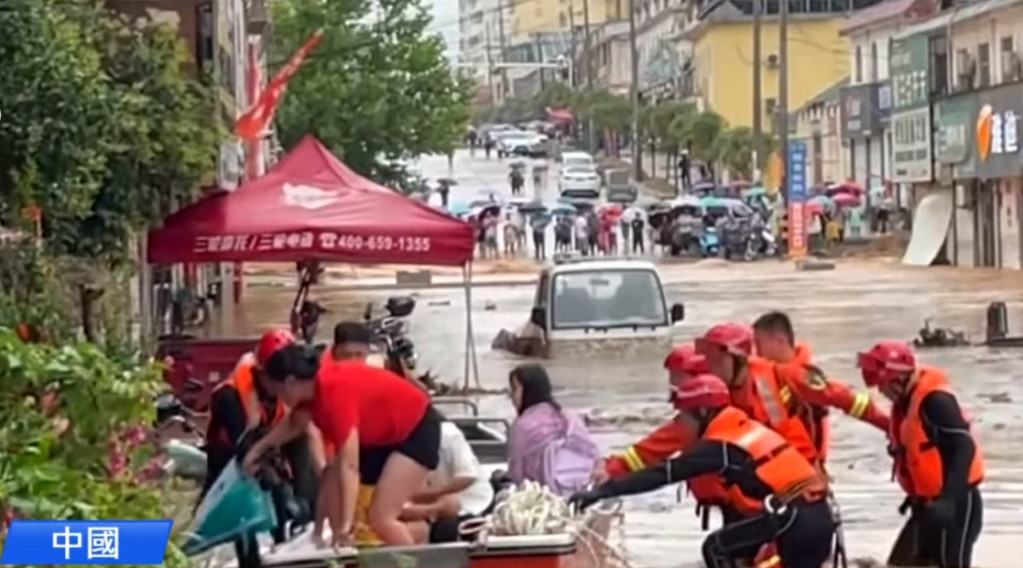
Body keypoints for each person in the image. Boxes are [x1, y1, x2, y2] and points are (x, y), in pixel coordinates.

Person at [570, 375, 835, 568]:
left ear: (704, 412)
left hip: (797, 523)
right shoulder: (740, 426)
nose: (681, 426)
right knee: (738, 543)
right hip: (816, 517)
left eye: (683, 417)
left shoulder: (720, 445)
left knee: (716, 547)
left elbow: (663, 474)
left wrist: (603, 492)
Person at [243, 345, 443, 546]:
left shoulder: (334, 393)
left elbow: (350, 466)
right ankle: (324, 538)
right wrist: (258, 449)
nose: (280, 400)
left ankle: (406, 558)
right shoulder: (311, 389)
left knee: (381, 517)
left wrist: (347, 524)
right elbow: (295, 423)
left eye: (278, 392)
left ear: (291, 382)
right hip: (383, 434)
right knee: (331, 473)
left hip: (417, 429)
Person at [857, 341, 984, 568]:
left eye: (882, 385)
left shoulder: (935, 402)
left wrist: (948, 500)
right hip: (926, 506)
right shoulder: (906, 405)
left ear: (898, 379)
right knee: (904, 563)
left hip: (955, 505)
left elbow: (964, 446)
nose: (880, 391)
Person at [697, 322, 888, 469]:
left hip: (800, 480)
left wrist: (889, 426)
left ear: (738, 359)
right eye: (709, 360)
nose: (711, 367)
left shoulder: (782, 375)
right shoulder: (710, 395)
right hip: (756, 485)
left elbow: (842, 397)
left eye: (717, 360)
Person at [204, 329, 321, 507]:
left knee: (302, 439)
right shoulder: (229, 396)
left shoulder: (283, 396)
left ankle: (308, 505)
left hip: (266, 457)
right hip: (227, 469)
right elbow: (244, 446)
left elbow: (300, 429)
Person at [601, 344, 709, 478]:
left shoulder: (693, 421)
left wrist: (612, 469)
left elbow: (651, 451)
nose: (672, 384)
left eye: (677, 377)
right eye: (671, 377)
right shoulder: (702, 413)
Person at [507, 364, 600, 496]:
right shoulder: (567, 416)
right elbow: (592, 452)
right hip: (586, 484)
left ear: (528, 390)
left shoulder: (523, 425)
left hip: (549, 493)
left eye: (515, 389)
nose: (511, 396)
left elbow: (518, 473)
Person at [410, 418, 495, 543]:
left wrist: (432, 495)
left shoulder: (448, 434)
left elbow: (468, 475)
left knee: (444, 530)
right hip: (430, 502)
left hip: (470, 502)